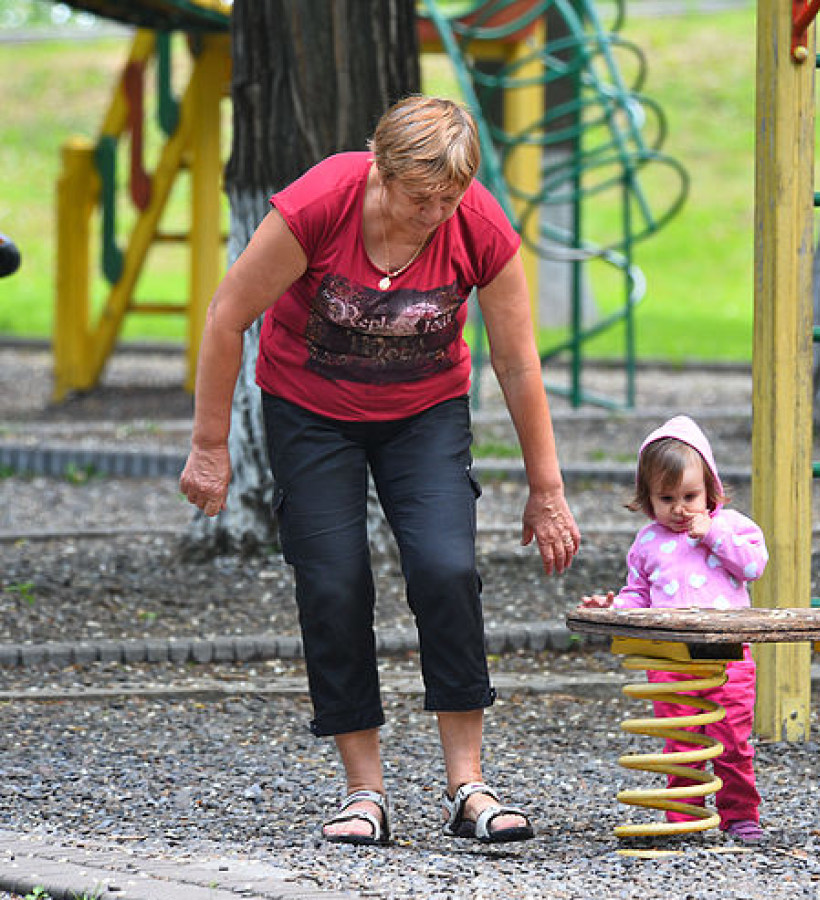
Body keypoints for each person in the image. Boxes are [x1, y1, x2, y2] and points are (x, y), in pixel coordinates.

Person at [179, 96, 580, 847]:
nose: (435, 212)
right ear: (381, 171)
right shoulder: (321, 205)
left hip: (423, 415)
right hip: (311, 411)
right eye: (420, 195)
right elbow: (226, 316)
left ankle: (468, 783)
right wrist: (210, 446)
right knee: (332, 580)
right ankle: (364, 790)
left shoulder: (479, 227)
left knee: (446, 569)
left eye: (449, 196)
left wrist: (547, 488)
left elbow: (517, 361)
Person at [580, 415, 768, 843]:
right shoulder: (648, 542)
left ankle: (739, 814)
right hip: (671, 663)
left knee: (733, 740)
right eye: (667, 498)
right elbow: (637, 596)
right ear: (648, 499)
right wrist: (613, 608)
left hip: (729, 660)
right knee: (682, 743)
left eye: (690, 496)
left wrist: (713, 533)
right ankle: (684, 818)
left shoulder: (732, 527)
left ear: (711, 490)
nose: (680, 509)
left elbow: (753, 566)